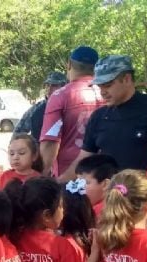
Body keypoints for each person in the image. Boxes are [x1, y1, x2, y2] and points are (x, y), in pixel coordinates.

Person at [59, 55, 147, 181]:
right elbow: (84, 159)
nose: (102, 92)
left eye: (107, 85)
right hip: (110, 196)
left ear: (126, 79)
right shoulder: (98, 117)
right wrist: (58, 183)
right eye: (99, 86)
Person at [39, 46, 104, 179]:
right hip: (105, 173)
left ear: (68, 64)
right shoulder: (108, 93)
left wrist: (43, 176)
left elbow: (50, 142)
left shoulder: (60, 96)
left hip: (69, 175)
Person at [14, 71, 68, 142]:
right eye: (47, 85)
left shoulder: (71, 107)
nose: (49, 89)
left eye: (54, 85)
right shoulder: (36, 109)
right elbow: (18, 134)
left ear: (64, 87)